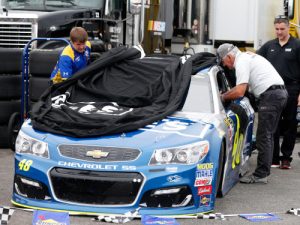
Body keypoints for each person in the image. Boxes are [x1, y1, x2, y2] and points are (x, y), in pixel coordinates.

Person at [217, 43, 288, 184]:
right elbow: (246, 87)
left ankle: (261, 175)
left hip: (271, 95)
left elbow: (240, 91)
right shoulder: (247, 56)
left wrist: (222, 97)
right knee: (267, 135)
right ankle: (264, 171)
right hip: (278, 93)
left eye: (223, 62)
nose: (225, 66)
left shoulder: (241, 61)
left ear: (229, 57)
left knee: (263, 136)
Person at [257, 15, 300, 169]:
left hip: (292, 89)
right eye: (277, 29)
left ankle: (286, 157)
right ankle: (273, 157)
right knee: (273, 124)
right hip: (273, 91)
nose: (279, 32)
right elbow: (256, 59)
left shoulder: (297, 45)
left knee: (290, 124)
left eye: (282, 29)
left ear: (289, 28)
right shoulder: (269, 46)